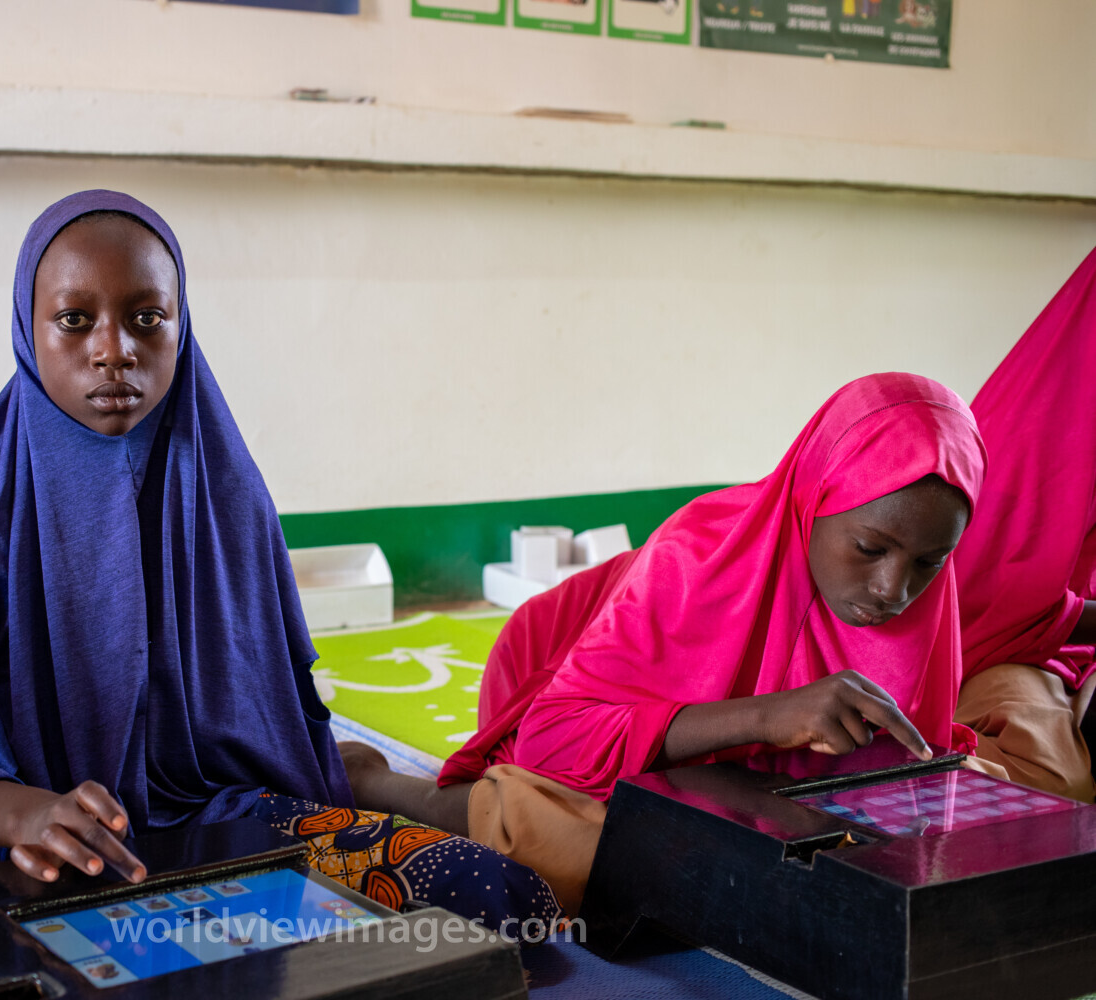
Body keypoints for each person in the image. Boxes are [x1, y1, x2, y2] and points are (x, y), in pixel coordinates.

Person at [0, 191, 558, 1000]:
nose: (115, 349)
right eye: (76, 321)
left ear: (183, 329)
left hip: (215, 823)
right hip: (17, 840)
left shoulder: (228, 494)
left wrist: (286, 810)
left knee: (502, 899)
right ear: (30, 334)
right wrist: (27, 812)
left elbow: (275, 715)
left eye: (148, 319)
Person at [346, 371, 989, 914]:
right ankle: (388, 787)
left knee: (985, 815)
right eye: (870, 549)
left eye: (930, 561)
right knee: (567, 832)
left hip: (741, 780)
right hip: (580, 699)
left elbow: (909, 767)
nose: (892, 589)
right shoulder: (697, 554)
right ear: (813, 497)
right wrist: (770, 715)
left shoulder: (923, 588)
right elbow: (558, 735)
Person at [952, 247, 1096, 803]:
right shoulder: (1038, 429)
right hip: (999, 653)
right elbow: (1001, 606)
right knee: (1056, 787)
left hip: (1070, 649)